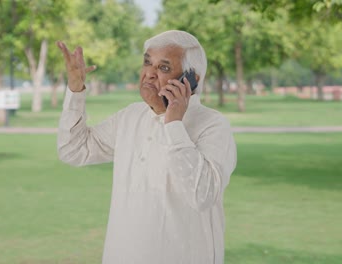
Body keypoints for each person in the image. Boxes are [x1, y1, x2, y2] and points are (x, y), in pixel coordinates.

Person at [57, 30, 237, 264]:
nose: (149, 74)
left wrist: (172, 123)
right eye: (147, 63)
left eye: (163, 68)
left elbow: (202, 195)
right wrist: (75, 90)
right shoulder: (131, 117)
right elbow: (73, 150)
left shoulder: (213, 126)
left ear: (191, 80)